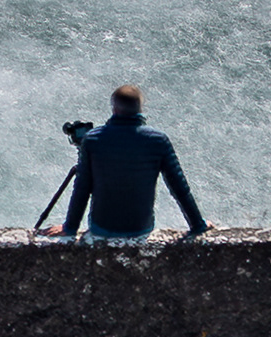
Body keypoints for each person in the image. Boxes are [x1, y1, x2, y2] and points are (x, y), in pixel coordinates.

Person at [54, 81, 208, 244]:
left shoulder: (92, 140)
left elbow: (81, 189)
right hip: (140, 228)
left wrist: (70, 228)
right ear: (140, 109)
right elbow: (179, 188)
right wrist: (198, 225)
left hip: (101, 228)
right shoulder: (158, 140)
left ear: (114, 108)